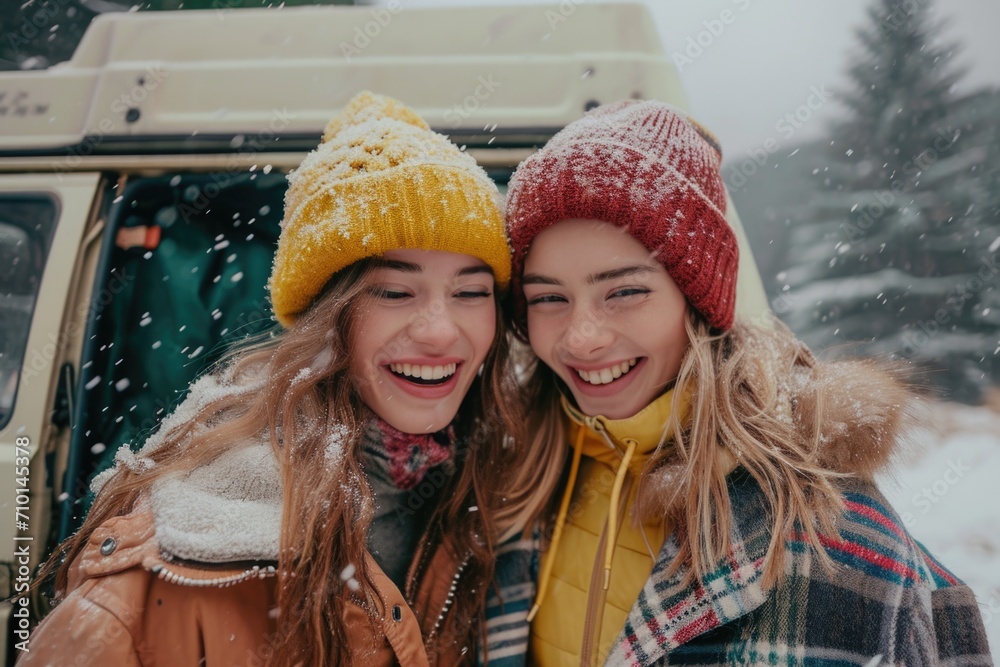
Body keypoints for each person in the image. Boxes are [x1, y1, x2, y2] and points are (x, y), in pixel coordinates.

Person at [20, 91, 546, 667]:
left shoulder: (507, 481)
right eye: (394, 291)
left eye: (471, 292)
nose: (442, 333)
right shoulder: (176, 561)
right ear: (326, 317)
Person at [503, 100, 992, 666]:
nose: (581, 337)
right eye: (547, 299)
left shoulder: (828, 529)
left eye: (625, 291)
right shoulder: (514, 483)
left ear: (698, 303)